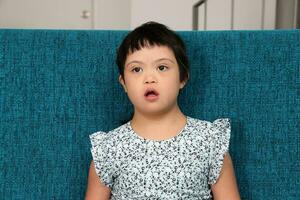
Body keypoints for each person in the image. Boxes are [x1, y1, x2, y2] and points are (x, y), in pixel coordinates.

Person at [85, 21, 240, 200]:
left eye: (162, 67)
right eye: (136, 69)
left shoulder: (210, 140)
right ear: (124, 83)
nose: (149, 78)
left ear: (182, 78)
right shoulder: (108, 149)